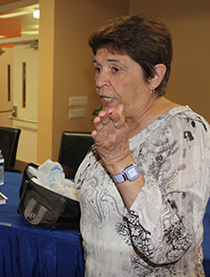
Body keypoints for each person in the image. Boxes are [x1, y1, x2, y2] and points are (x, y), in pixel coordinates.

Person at [75, 13, 210, 276]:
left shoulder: (185, 130)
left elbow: (169, 246)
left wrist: (119, 160)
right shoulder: (119, 125)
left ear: (154, 76)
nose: (99, 81)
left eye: (115, 68)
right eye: (98, 68)